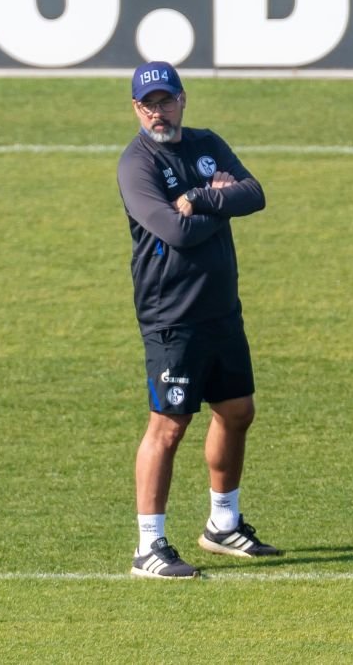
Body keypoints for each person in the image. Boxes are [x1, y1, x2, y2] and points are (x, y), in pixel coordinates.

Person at [116, 61, 280, 579]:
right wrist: (222, 201)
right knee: (168, 426)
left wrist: (202, 198)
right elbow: (175, 231)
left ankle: (222, 525)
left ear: (183, 100)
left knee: (237, 411)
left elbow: (255, 194)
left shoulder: (207, 142)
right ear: (136, 110)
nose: (157, 113)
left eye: (165, 101)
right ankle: (149, 546)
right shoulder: (136, 164)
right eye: (148, 105)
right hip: (172, 315)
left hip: (219, 309)